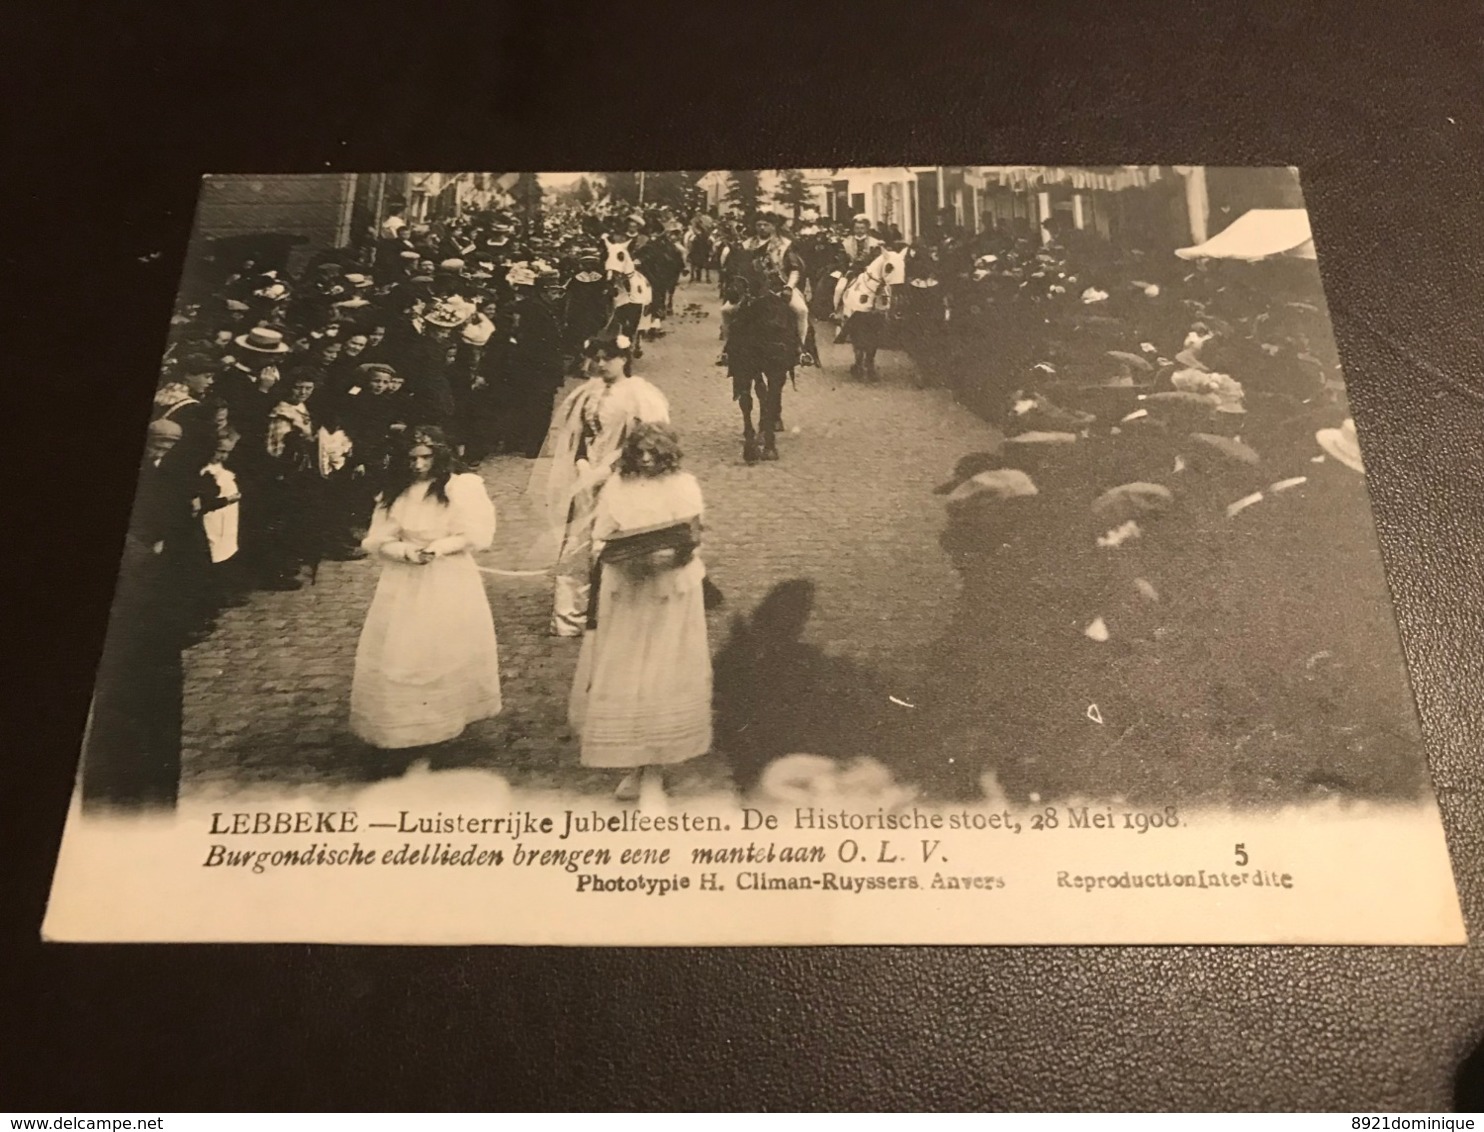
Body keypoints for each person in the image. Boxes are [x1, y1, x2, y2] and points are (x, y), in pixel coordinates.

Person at [569, 423, 712, 801]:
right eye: (640, 453)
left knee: (662, 673)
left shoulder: (683, 486)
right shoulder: (618, 486)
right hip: (629, 588)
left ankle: (657, 768)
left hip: (670, 593)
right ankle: (635, 763)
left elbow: (692, 537)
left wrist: (670, 555)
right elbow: (603, 535)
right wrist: (620, 553)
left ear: (666, 453)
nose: (646, 459)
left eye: (653, 453)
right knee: (628, 673)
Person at [351, 427, 502, 749]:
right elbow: (379, 538)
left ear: (439, 456)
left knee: (443, 645)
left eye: (425, 458)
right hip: (404, 580)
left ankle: (443, 723)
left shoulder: (460, 488)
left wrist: (439, 548)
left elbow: (475, 534)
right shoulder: (397, 492)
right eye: (412, 459)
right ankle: (405, 728)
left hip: (448, 575)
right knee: (402, 650)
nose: (419, 465)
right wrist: (405, 552)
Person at [545, 326, 670, 637]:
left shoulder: (641, 394)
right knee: (579, 543)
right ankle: (572, 616)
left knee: (621, 543)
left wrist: (616, 468)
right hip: (589, 476)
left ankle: (624, 614)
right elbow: (582, 436)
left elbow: (651, 442)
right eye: (596, 359)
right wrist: (584, 463)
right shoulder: (589, 392)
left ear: (624, 358)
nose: (601, 365)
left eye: (609, 358)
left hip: (626, 475)